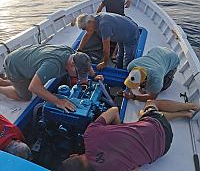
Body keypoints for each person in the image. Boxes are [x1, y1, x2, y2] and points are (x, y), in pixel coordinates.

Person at [60, 99, 199, 171]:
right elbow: (114, 110)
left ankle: (185, 114)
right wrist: (120, 128)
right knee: (150, 104)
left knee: (144, 116)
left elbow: (136, 167)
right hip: (155, 125)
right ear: (73, 155)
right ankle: (190, 106)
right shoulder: (90, 134)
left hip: (163, 148)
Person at [0, 44, 103, 112]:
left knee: (29, 82)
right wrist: (58, 101)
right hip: (14, 65)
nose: (79, 77)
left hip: (26, 57)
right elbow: (34, 87)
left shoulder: (73, 54)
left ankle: (3, 82)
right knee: (25, 96)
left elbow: (86, 63)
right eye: (78, 73)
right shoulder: (53, 65)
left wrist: (94, 75)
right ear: (72, 65)